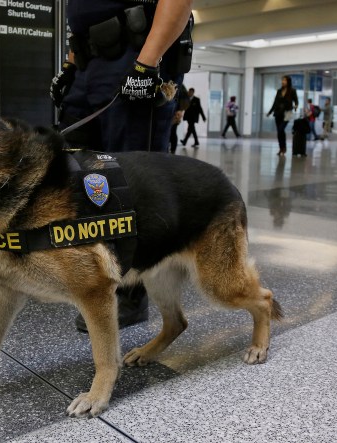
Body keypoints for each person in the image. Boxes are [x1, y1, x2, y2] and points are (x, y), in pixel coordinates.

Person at [50, 0, 194, 331]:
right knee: (78, 176)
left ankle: (131, 294)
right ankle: (96, 278)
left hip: (136, 54)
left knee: (130, 184)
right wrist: (72, 67)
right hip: (89, 64)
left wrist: (148, 62)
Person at [266, 75, 298, 156]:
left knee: (281, 129)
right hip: (278, 113)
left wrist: (296, 106)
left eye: (284, 80)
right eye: (282, 80)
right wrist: (270, 112)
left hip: (287, 113)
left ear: (288, 82)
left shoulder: (292, 91)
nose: (282, 82)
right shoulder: (279, 91)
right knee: (279, 132)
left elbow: (296, 101)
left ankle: (284, 147)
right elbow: (275, 103)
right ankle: (281, 148)